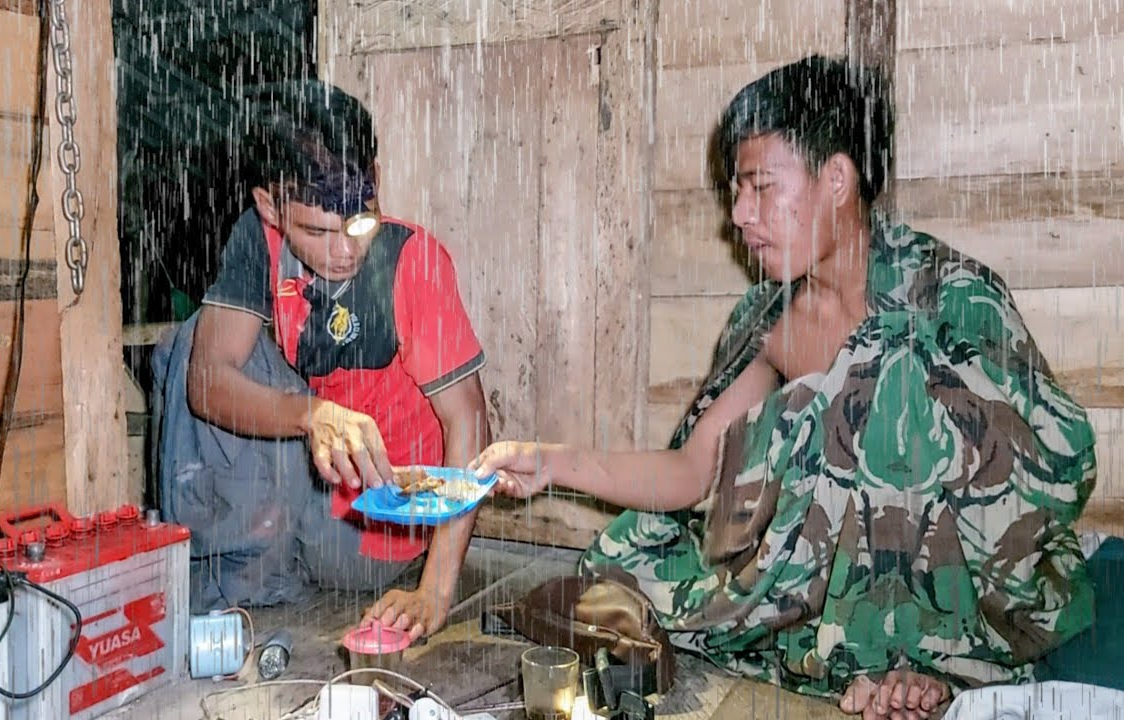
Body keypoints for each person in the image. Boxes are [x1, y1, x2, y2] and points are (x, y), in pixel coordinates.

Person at [470, 55, 1098, 720]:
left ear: (836, 179)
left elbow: (1060, 469)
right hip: (821, 582)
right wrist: (552, 462)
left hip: (959, 589)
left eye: (761, 187)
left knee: (885, 378)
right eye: (736, 192)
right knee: (629, 557)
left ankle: (926, 661)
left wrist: (893, 406)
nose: (740, 215)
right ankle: (866, 659)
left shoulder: (950, 295)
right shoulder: (768, 319)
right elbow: (692, 473)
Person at [153, 80, 490, 638]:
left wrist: (434, 591)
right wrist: (312, 415)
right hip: (317, 489)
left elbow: (470, 420)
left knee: (207, 352)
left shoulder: (413, 261)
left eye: (360, 222)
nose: (346, 250)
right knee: (190, 348)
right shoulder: (257, 240)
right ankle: (243, 574)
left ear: (374, 179)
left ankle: (252, 574)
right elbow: (206, 384)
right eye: (317, 231)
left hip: (375, 528)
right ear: (269, 206)